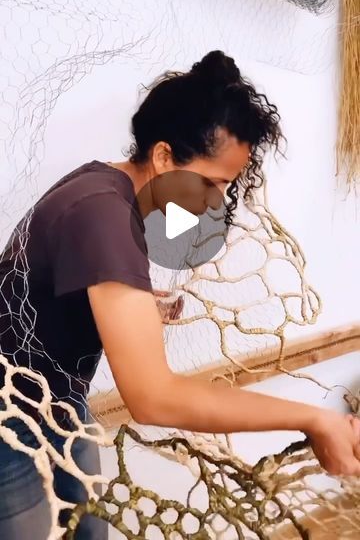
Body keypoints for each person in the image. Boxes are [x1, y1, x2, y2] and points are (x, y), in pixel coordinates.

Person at [0, 50, 359, 539]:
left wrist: (135, 303)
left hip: (59, 400)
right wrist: (315, 419)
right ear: (165, 155)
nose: (215, 202)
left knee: (87, 528)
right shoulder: (102, 214)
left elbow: (57, 279)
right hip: (10, 417)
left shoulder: (107, 184)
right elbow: (152, 397)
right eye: (211, 183)